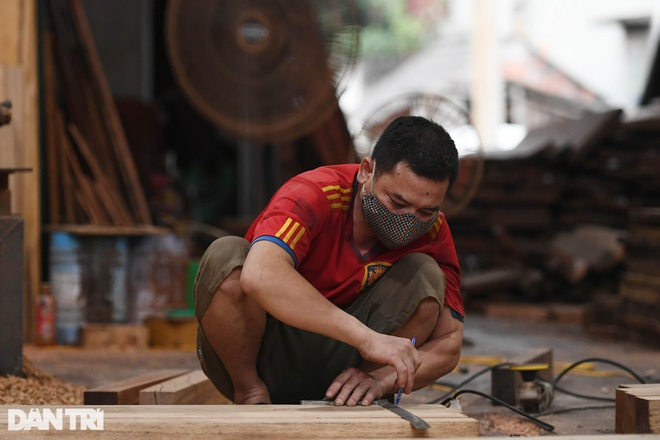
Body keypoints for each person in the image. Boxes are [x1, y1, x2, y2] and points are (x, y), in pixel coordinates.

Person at [194, 115, 464, 406]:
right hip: (266, 355)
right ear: (366, 171)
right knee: (226, 257)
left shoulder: (434, 232)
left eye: (425, 212)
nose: (407, 221)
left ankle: (358, 395)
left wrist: (382, 378)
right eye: (397, 203)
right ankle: (249, 393)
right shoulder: (314, 194)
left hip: (346, 371)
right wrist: (367, 339)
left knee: (425, 274)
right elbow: (259, 276)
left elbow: (449, 345)